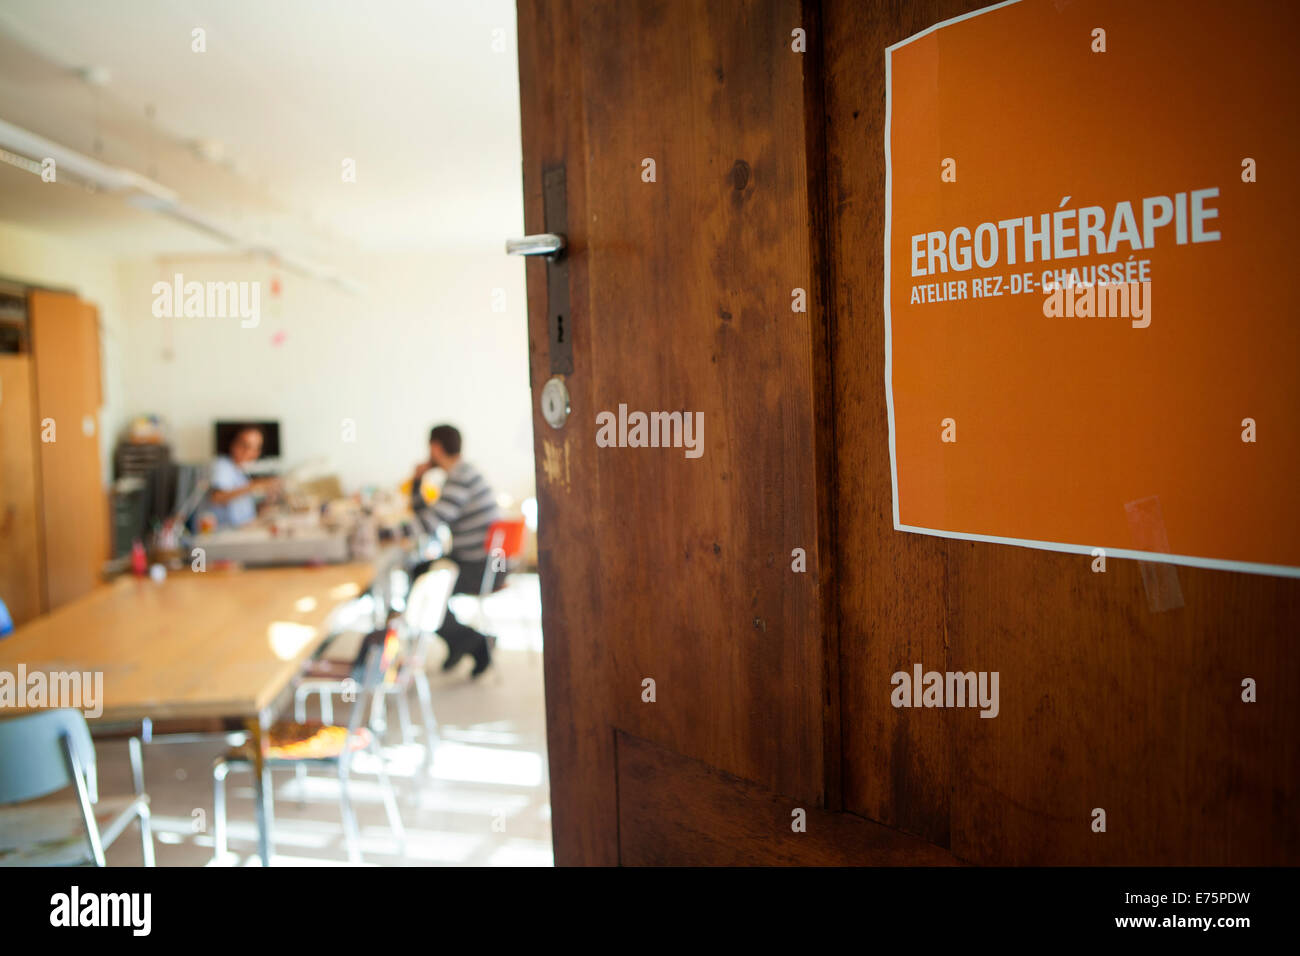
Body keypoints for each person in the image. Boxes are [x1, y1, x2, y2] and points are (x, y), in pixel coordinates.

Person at [409, 424, 502, 677]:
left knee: (420, 581)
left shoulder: (460, 477)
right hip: (481, 561)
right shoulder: (462, 473)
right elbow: (426, 517)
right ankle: (462, 641)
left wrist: (382, 533)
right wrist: (418, 482)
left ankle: (472, 641)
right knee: (419, 571)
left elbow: (428, 523)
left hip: (481, 566)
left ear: (435, 448)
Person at [207, 425, 279, 528]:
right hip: (226, 533)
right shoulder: (222, 466)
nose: (250, 452)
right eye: (246, 445)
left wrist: (266, 503)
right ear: (233, 444)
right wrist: (254, 485)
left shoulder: (240, 472)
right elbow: (216, 497)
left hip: (244, 528)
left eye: (256, 448)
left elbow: (241, 507)